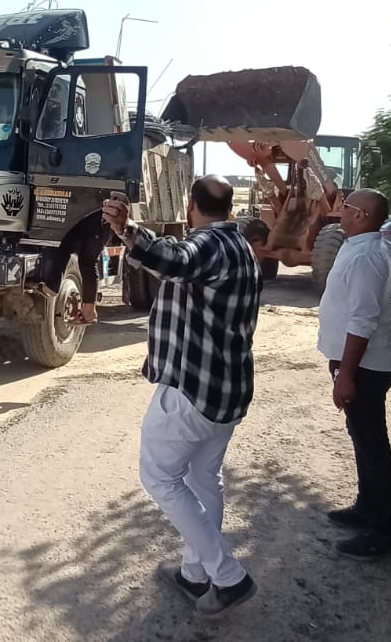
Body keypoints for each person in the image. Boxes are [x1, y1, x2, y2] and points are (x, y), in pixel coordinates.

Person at [103, 176, 261, 617]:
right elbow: (180, 259)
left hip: (192, 390)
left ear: (191, 205)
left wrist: (131, 232)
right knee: (203, 480)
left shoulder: (208, 245)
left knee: (160, 477)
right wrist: (132, 235)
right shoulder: (238, 246)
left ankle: (228, 577)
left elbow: (177, 258)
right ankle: (194, 575)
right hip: (227, 391)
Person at [317, 189, 391, 559]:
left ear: (363, 215)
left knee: (374, 449)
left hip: (367, 367)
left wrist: (346, 374)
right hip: (362, 364)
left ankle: (383, 535)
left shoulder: (370, 256)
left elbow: (364, 320)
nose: (340, 211)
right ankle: (366, 508)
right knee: (364, 440)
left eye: (347, 207)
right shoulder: (368, 247)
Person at [39, 213, 115, 324]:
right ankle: (53, 287)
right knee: (69, 248)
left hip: (97, 219)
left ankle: (89, 311)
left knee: (86, 261)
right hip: (94, 217)